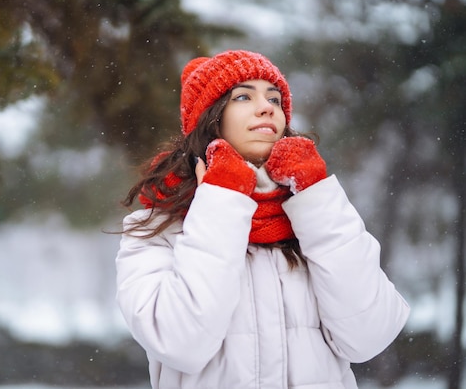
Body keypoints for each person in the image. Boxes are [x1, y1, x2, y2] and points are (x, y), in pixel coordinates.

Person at [115, 49, 409, 389]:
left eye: (275, 98)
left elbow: (368, 335)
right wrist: (222, 197)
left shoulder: (312, 213)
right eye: (243, 96)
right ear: (210, 118)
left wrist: (315, 195)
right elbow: (181, 343)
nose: (267, 106)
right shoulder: (154, 229)